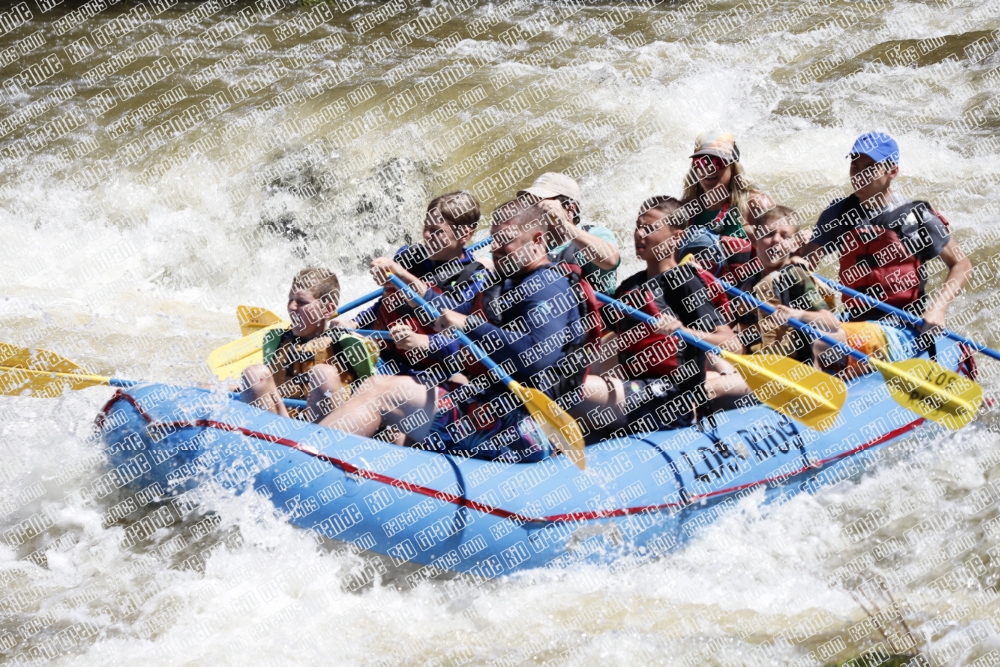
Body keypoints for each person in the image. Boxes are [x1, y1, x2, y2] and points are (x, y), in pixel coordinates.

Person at [320, 200, 595, 462]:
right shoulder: (506, 282)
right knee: (377, 395)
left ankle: (309, 457)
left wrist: (469, 325)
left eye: (506, 240)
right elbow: (450, 310)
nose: (496, 248)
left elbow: (537, 358)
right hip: (484, 404)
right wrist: (405, 280)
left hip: (521, 428)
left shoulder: (547, 286)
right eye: (494, 238)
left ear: (536, 240)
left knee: (381, 391)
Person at [793, 132, 973, 365]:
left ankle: (826, 389)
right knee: (797, 328)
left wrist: (938, 310)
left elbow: (962, 264)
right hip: (853, 319)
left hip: (903, 326)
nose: (859, 175)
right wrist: (795, 255)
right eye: (855, 167)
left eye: (869, 168)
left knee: (828, 344)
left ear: (892, 172)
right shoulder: (837, 213)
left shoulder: (915, 217)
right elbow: (807, 262)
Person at [571, 197, 741, 434]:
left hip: (675, 394)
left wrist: (684, 331)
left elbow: (731, 344)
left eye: (649, 228)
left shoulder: (685, 282)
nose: (639, 234)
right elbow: (602, 338)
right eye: (638, 226)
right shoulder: (629, 286)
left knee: (577, 390)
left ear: (677, 236)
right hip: (637, 385)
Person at [337, 191, 498, 374]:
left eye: (437, 231)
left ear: (464, 234)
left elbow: (460, 339)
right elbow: (386, 304)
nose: (427, 235)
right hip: (377, 348)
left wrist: (421, 342)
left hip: (420, 370)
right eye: (426, 227)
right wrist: (355, 323)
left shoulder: (475, 280)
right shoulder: (410, 257)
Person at [240, 268, 378, 422]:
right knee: (254, 374)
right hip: (281, 425)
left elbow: (368, 385)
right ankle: (266, 436)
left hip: (328, 428)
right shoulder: (280, 340)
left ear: (328, 310)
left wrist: (349, 330)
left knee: (322, 374)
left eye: (302, 302)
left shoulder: (344, 343)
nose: (292, 307)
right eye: (290, 299)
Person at [740, 206, 846, 366]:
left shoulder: (795, 275)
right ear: (755, 240)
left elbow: (830, 321)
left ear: (795, 244)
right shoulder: (749, 283)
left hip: (792, 364)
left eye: (785, 236)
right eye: (768, 234)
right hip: (757, 361)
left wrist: (797, 314)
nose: (776, 240)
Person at [516, 172, 621, 294]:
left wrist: (563, 224)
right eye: (530, 204)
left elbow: (610, 261)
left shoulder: (597, 234)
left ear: (570, 210)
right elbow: (490, 262)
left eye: (541, 204)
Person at [681, 131, 772, 240]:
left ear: (733, 167)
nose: (709, 169)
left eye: (718, 162)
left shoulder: (757, 204)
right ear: (695, 167)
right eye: (702, 162)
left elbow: (785, 246)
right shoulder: (685, 209)